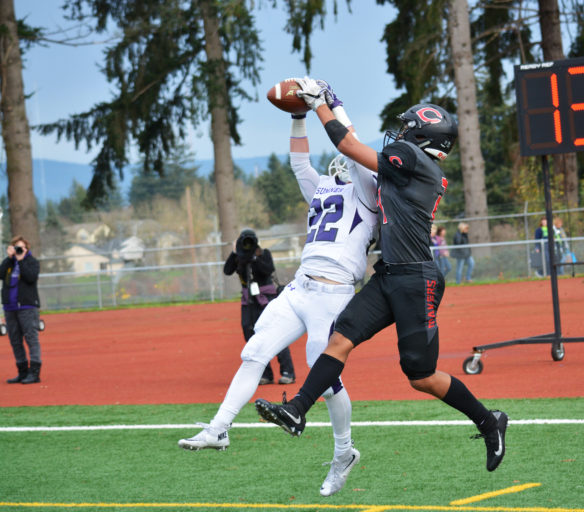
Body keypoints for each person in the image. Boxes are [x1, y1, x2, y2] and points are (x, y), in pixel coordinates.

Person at [254, 77, 508, 474]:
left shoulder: (415, 161)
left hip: (416, 279)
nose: (400, 134)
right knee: (339, 339)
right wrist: (334, 102)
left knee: (420, 376)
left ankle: (489, 421)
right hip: (389, 274)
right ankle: (297, 410)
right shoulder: (411, 163)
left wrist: (320, 103)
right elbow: (355, 149)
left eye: (408, 129)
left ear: (424, 136)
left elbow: (348, 146)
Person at [178, 86, 378, 498]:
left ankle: (344, 452)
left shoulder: (370, 190)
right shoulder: (323, 187)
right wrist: (298, 114)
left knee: (324, 380)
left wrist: (331, 101)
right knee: (253, 352)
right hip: (299, 288)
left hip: (334, 294)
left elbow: (351, 142)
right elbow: (298, 162)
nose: (342, 160)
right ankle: (218, 429)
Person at [224, 228, 295, 385]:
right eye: (245, 243)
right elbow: (227, 270)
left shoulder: (264, 253)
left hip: (266, 298)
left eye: (250, 242)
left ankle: (287, 372)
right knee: (249, 333)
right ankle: (265, 374)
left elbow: (268, 270)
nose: (248, 246)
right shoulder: (239, 257)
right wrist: (236, 253)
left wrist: (254, 257)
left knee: (275, 333)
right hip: (248, 300)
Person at [2, 236, 42, 384]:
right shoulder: (9, 263)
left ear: (27, 249)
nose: (19, 250)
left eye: (21, 248)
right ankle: (22, 372)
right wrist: (9, 258)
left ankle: (35, 373)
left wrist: (21, 259)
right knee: (15, 341)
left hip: (27, 306)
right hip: (10, 307)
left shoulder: (32, 262)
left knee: (31, 339)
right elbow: (0, 274)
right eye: (16, 247)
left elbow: (31, 277)